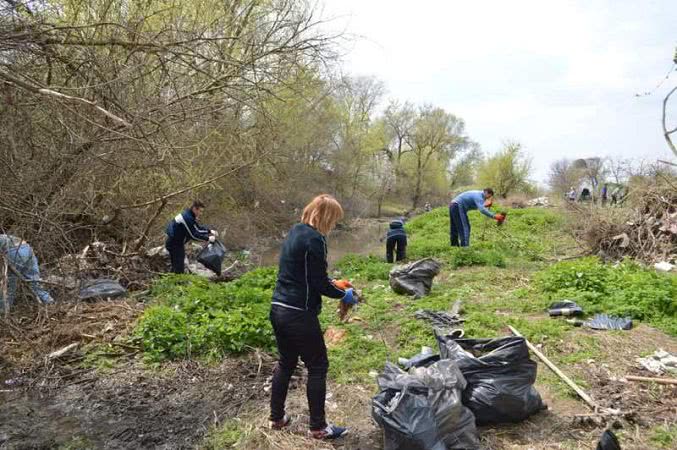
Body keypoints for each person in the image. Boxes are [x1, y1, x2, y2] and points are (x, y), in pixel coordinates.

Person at [269, 194, 354, 440]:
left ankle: (277, 418)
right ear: (326, 217)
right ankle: (318, 427)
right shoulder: (316, 239)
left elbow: (306, 274)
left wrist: (333, 283)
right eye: (334, 220)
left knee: (286, 363)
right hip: (299, 314)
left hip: (278, 308)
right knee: (318, 366)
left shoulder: (295, 232)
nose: (334, 225)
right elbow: (318, 283)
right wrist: (345, 294)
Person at [0, 234, 53, 311]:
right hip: (27, 248)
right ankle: (48, 301)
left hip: (13, 251)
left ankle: (3, 311)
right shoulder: (4, 236)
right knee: (34, 281)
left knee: (9, 285)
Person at [164, 200, 218, 274]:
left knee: (177, 265)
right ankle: (177, 283)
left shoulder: (190, 215)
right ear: (194, 209)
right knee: (179, 267)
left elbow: (197, 228)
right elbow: (193, 235)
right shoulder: (187, 218)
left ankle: (174, 280)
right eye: (200, 211)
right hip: (174, 244)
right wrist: (208, 238)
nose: (201, 214)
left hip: (178, 243)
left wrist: (209, 231)